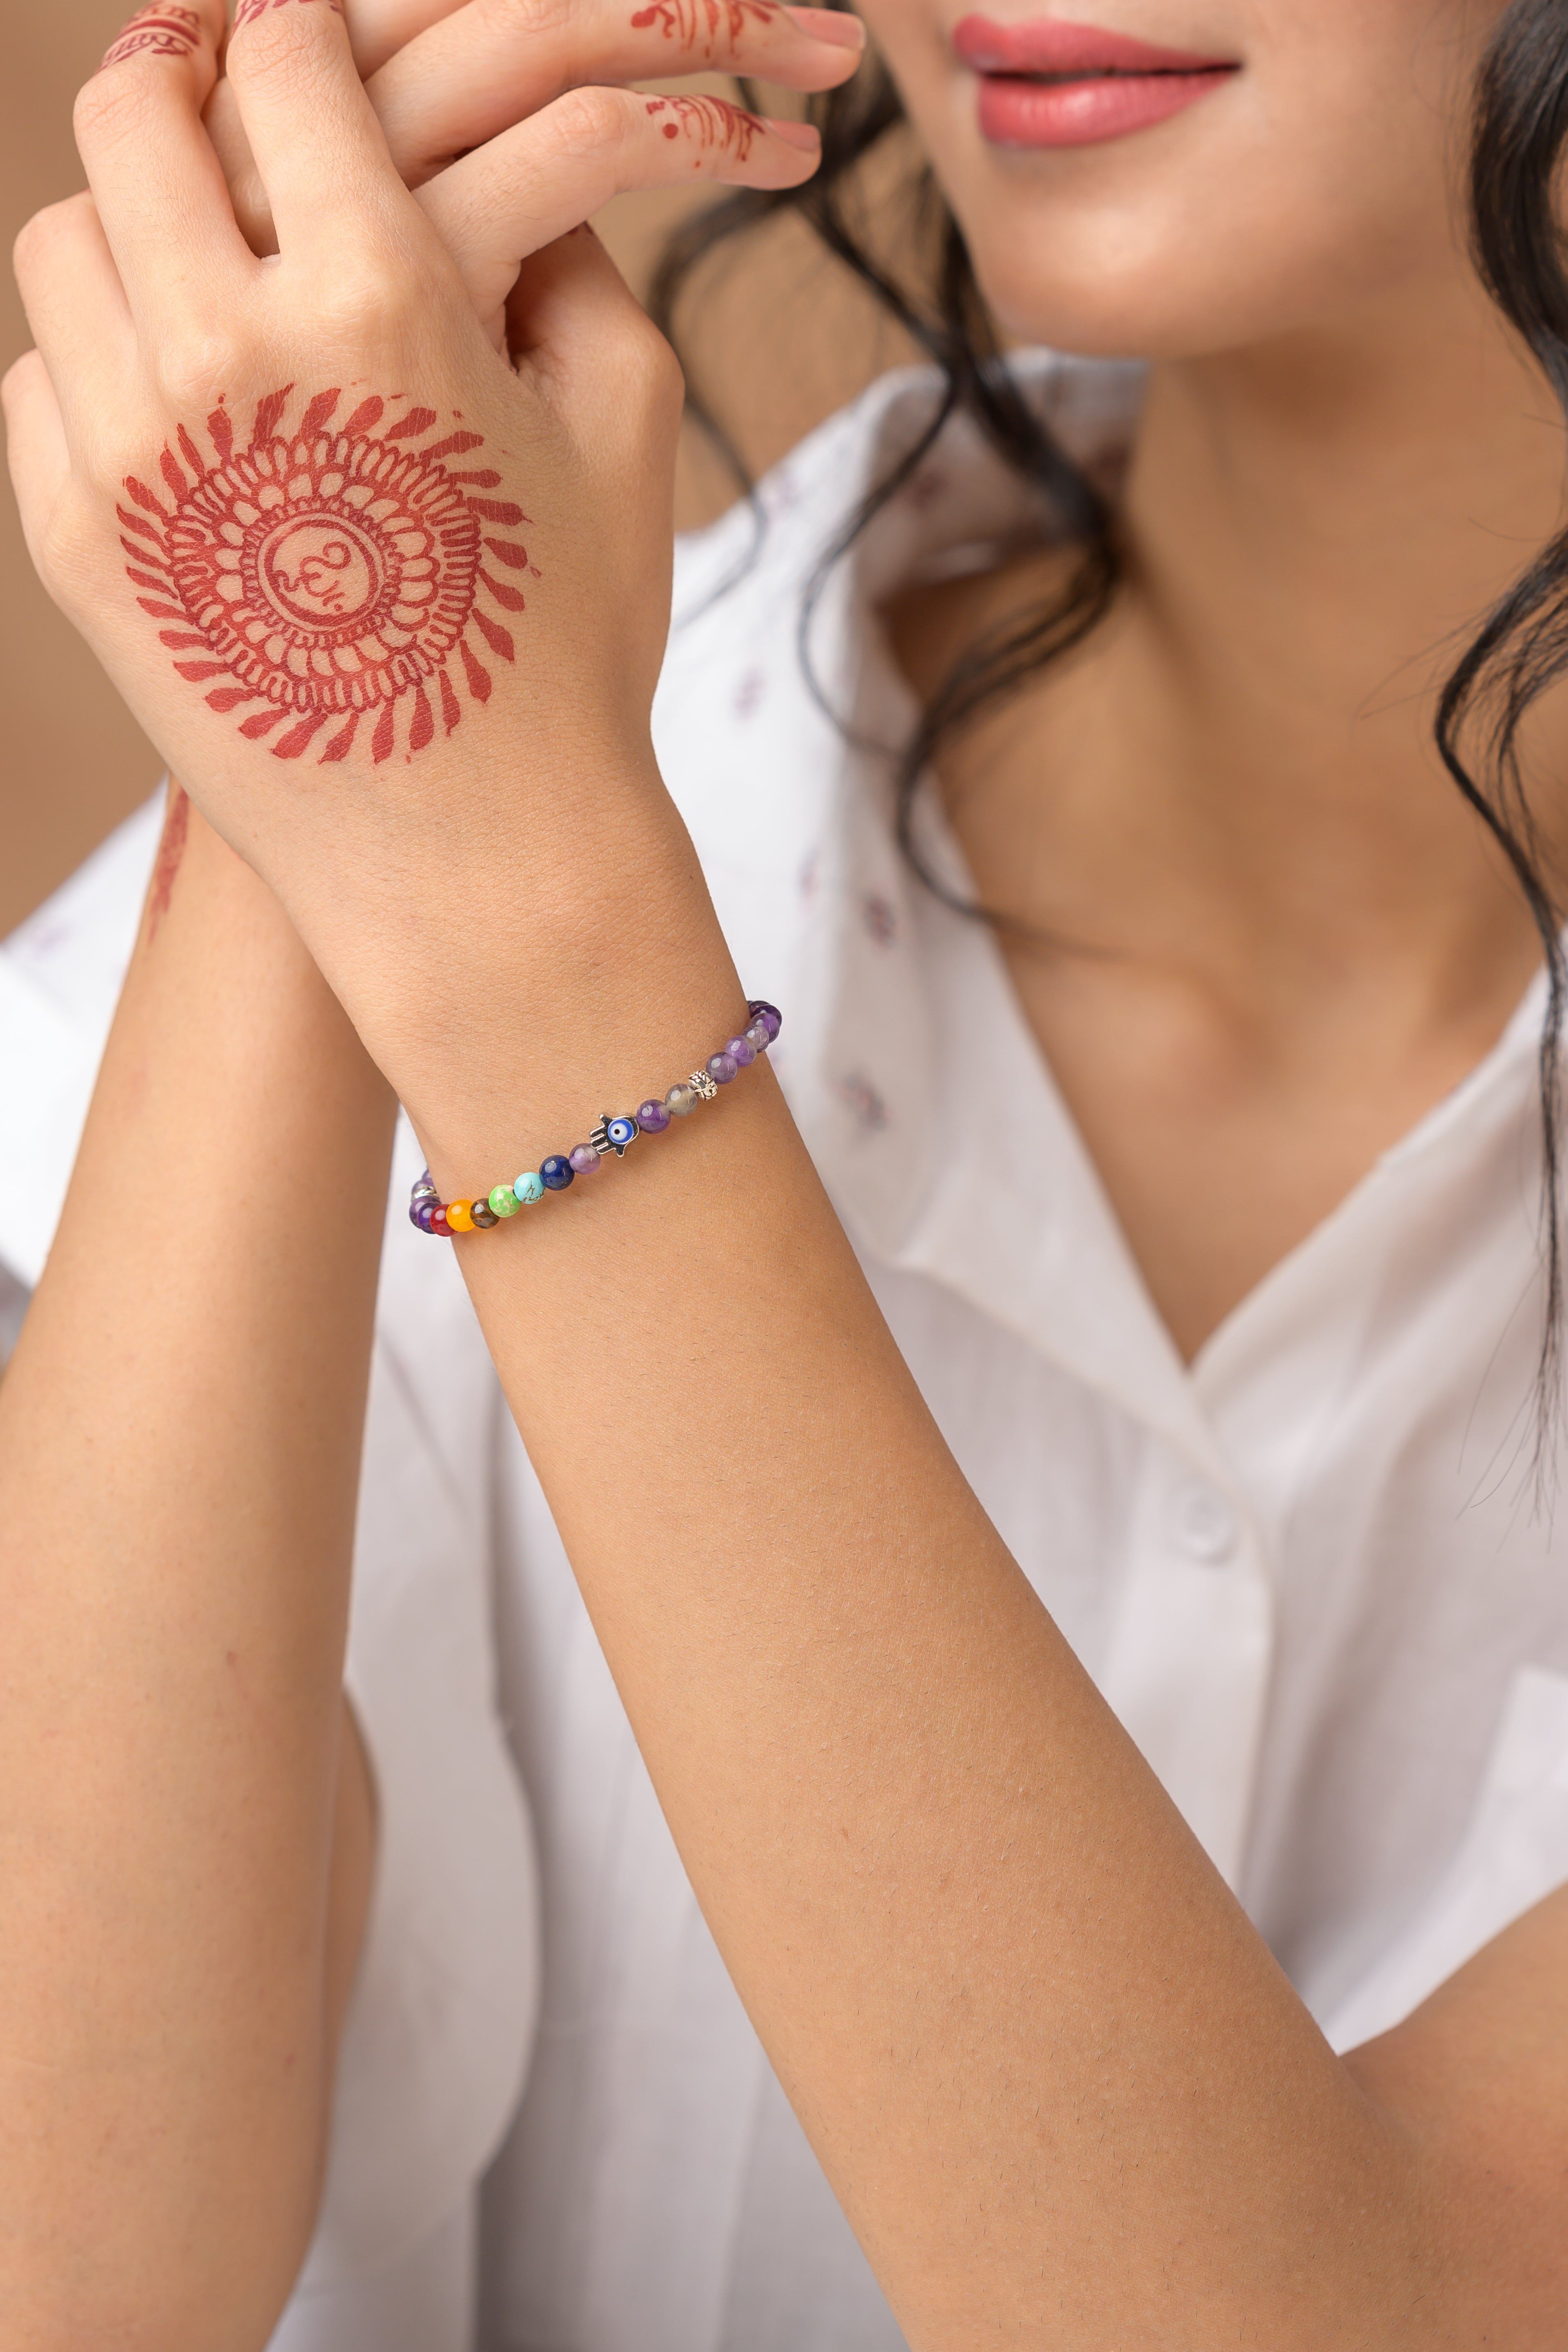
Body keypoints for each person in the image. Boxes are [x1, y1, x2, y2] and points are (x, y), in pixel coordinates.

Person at [3, 0, 1568, 2347]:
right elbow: (68, 2261)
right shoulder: (433, 852)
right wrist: (324, 691)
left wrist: (509, 902)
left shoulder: (513, 858)